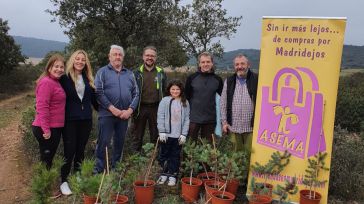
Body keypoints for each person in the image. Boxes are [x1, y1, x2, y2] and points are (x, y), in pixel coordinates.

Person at [93, 45, 139, 173]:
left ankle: (115, 170)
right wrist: (112, 109)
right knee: (104, 143)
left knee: (119, 143)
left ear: (123, 57)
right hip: (106, 115)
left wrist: (130, 110)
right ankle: (99, 171)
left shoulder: (129, 74)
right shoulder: (102, 72)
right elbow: (99, 93)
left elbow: (136, 94)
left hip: (124, 116)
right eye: (115, 54)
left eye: (120, 55)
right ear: (109, 56)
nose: (117, 57)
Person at [59, 50, 98, 195]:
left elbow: (94, 101)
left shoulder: (88, 79)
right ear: (72, 60)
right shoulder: (65, 78)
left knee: (80, 150)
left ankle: (77, 177)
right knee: (69, 151)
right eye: (77, 59)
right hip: (69, 120)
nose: (80, 61)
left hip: (86, 120)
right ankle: (64, 181)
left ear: (86, 62)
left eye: (83, 59)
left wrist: (108, 111)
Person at [32, 54, 66, 170]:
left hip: (54, 127)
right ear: (49, 67)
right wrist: (46, 129)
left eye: (61, 67)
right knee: (46, 159)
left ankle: (44, 184)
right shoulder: (47, 82)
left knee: (48, 159)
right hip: (46, 128)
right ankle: (42, 186)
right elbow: (42, 107)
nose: (59, 69)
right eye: (56, 66)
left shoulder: (56, 82)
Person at [220, 54, 258, 152]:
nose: (239, 67)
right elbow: (223, 103)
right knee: (235, 156)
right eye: (237, 64)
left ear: (248, 65)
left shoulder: (257, 79)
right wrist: (224, 122)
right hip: (233, 127)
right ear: (234, 66)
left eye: (242, 64)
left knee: (250, 154)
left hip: (251, 127)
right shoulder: (229, 81)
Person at [132, 46, 167, 152]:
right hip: (140, 108)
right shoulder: (136, 72)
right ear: (143, 57)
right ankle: (135, 160)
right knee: (137, 136)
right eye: (147, 55)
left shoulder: (161, 72)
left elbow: (165, 91)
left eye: (152, 56)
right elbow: (131, 91)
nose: (149, 57)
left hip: (156, 107)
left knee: (156, 135)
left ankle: (155, 160)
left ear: (156, 58)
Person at [157, 79, 190, 186]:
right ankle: (163, 174)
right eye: (173, 89)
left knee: (175, 156)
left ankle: (172, 175)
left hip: (178, 136)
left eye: (177, 89)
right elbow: (160, 116)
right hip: (166, 135)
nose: (175, 91)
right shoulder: (165, 100)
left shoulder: (185, 102)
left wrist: (184, 134)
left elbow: (187, 119)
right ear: (169, 90)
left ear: (181, 90)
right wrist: (161, 131)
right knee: (164, 154)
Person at [185, 52, 223, 142]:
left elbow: (222, 100)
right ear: (199, 64)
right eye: (203, 62)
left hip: (210, 119)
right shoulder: (192, 78)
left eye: (208, 62)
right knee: (190, 146)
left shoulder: (218, 79)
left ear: (212, 63)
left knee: (207, 147)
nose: (206, 64)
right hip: (193, 118)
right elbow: (186, 97)